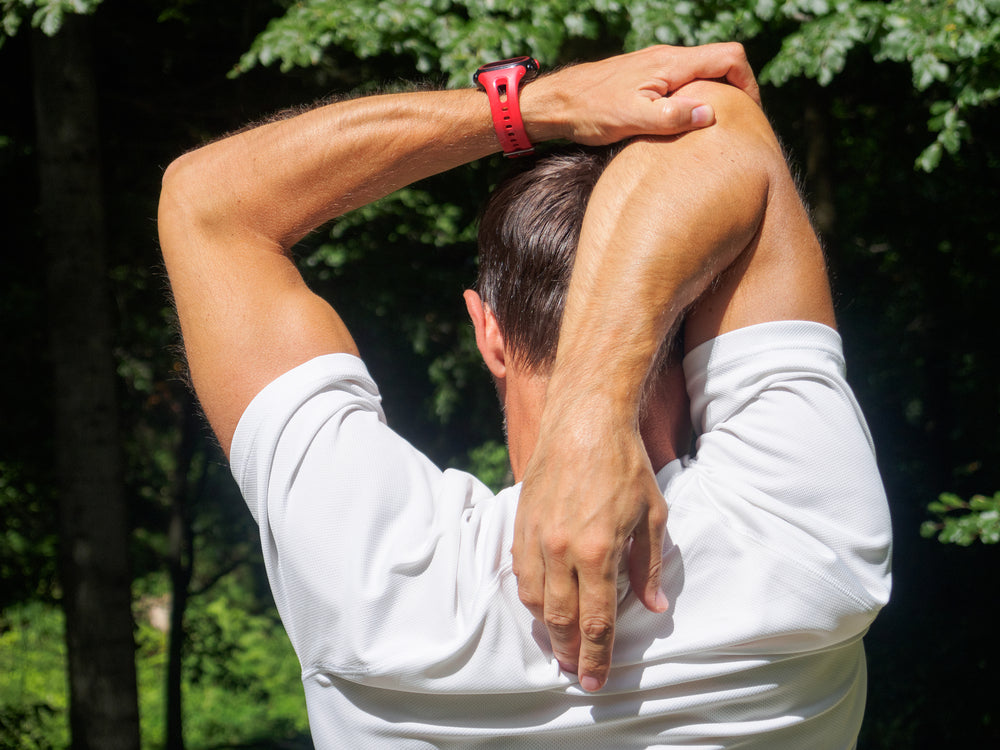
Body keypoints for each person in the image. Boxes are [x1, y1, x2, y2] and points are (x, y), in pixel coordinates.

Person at [158, 43, 892, 748]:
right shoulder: (800, 536)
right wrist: (596, 411)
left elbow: (208, 207)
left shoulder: (376, 576)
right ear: (703, 313)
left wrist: (536, 106)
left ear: (489, 331)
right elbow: (715, 120)